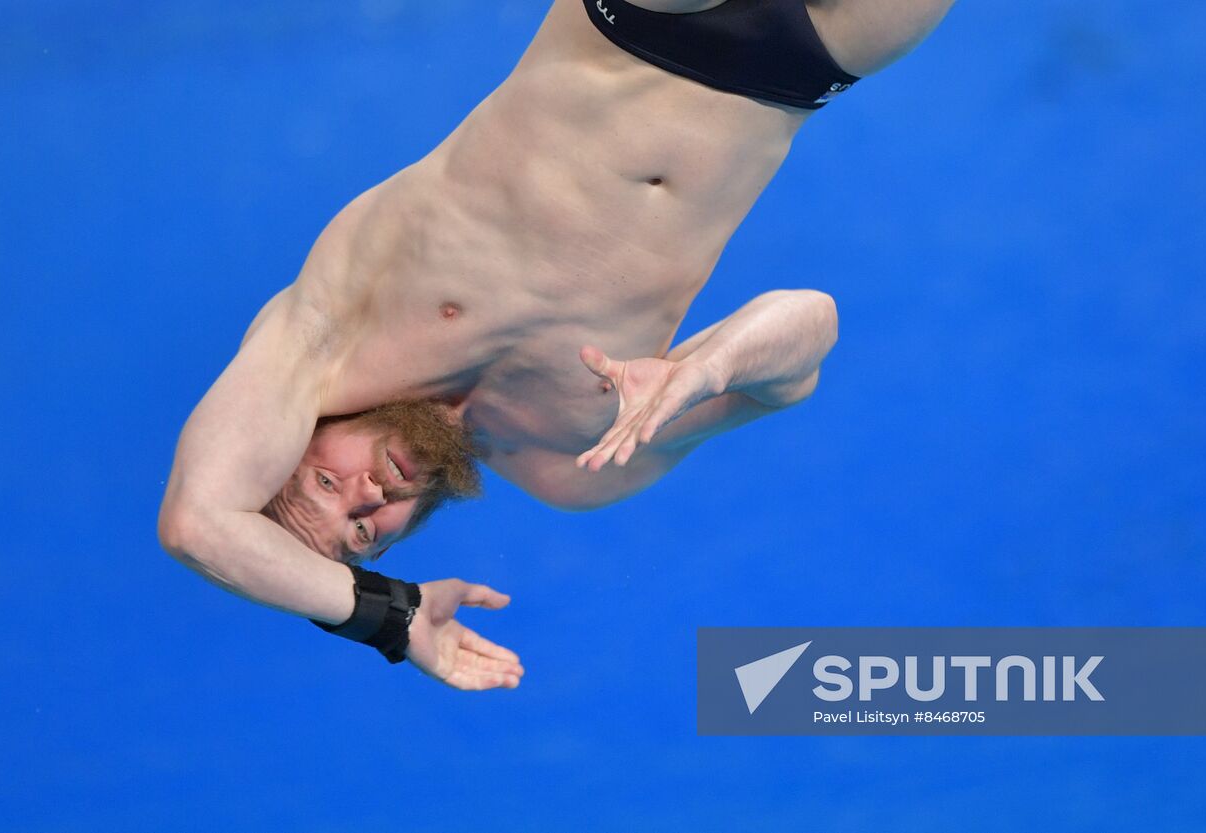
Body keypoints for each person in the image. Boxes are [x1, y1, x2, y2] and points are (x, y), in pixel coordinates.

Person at [158, 0, 956, 688]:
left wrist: (384, 619)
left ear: (297, 436)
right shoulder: (574, 463)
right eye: (364, 533)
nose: (366, 496)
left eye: (325, 484)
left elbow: (199, 523)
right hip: (806, 63)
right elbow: (810, 336)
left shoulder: (330, 330)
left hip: (638, 22)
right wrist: (711, 366)